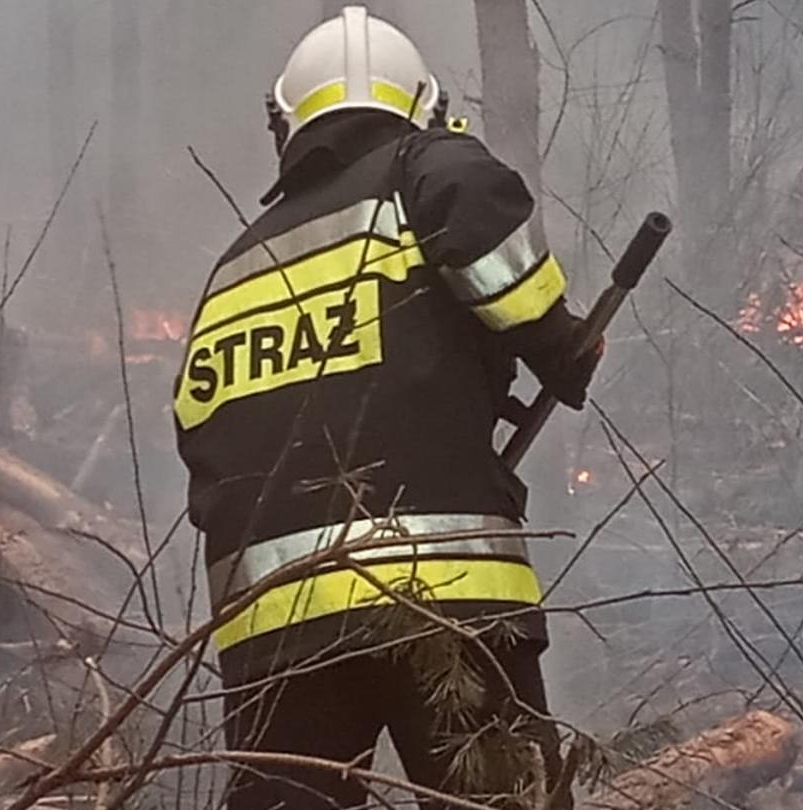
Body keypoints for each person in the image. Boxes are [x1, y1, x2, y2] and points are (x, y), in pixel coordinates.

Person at [172, 7, 597, 809]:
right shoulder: (424, 168)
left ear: (285, 124)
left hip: (276, 636)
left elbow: (201, 443)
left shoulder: (233, 272)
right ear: (424, 109)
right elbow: (480, 217)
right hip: (443, 598)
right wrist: (557, 341)